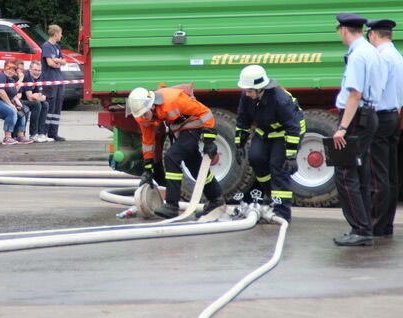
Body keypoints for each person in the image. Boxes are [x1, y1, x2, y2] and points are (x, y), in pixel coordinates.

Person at [127, 86, 225, 218]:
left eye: (145, 114)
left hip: (195, 124)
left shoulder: (174, 100)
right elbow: (148, 142)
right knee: (194, 165)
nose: (144, 118)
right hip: (181, 129)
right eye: (140, 116)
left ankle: (172, 205)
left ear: (152, 105)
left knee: (171, 157)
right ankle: (216, 199)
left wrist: (209, 140)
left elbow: (205, 112)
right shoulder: (143, 116)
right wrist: (148, 168)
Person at [332, 13, 383, 247]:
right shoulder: (371, 51)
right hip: (368, 115)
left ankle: (360, 229)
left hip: (355, 118)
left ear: (344, 30)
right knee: (360, 173)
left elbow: (354, 93)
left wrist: (342, 127)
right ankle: (365, 227)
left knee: (344, 172)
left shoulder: (358, 55)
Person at [234, 65, 305, 222]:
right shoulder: (247, 96)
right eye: (245, 90)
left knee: (278, 166)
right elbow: (242, 120)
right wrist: (239, 144)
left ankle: (282, 212)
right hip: (265, 131)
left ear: (260, 88)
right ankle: (271, 195)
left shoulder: (280, 99)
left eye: (250, 90)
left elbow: (293, 128)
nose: (246, 93)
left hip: (286, 133)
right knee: (256, 158)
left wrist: (291, 156)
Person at [366, 18, 403, 238]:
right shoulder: (397, 56)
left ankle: (375, 224)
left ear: (373, 34)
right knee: (390, 174)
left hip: (380, 117)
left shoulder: (380, 57)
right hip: (394, 115)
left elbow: (375, 89)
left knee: (377, 174)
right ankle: (386, 224)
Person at [0, 60, 33, 145]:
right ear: (4, 68)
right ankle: (7, 138)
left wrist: (17, 102)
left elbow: (13, 93)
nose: (11, 71)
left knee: (22, 110)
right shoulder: (0, 76)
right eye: (9, 69)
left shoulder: (11, 79)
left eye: (13, 70)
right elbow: (1, 91)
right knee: (11, 111)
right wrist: (11, 104)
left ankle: (20, 136)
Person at [41, 24, 67, 142]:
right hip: (50, 80)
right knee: (50, 106)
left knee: (57, 107)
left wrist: (57, 61)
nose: (61, 35)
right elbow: (50, 63)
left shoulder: (57, 46)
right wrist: (57, 62)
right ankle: (45, 132)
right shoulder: (46, 46)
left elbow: (64, 61)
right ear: (56, 33)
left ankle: (54, 133)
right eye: (60, 33)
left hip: (58, 79)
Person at [22, 61, 50, 142]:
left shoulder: (39, 77)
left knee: (45, 104)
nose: (37, 72)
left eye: (39, 70)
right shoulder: (27, 77)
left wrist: (37, 96)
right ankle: (33, 134)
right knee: (36, 104)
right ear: (30, 69)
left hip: (30, 99)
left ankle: (41, 133)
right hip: (20, 100)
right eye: (35, 70)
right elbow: (30, 98)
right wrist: (37, 96)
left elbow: (44, 97)